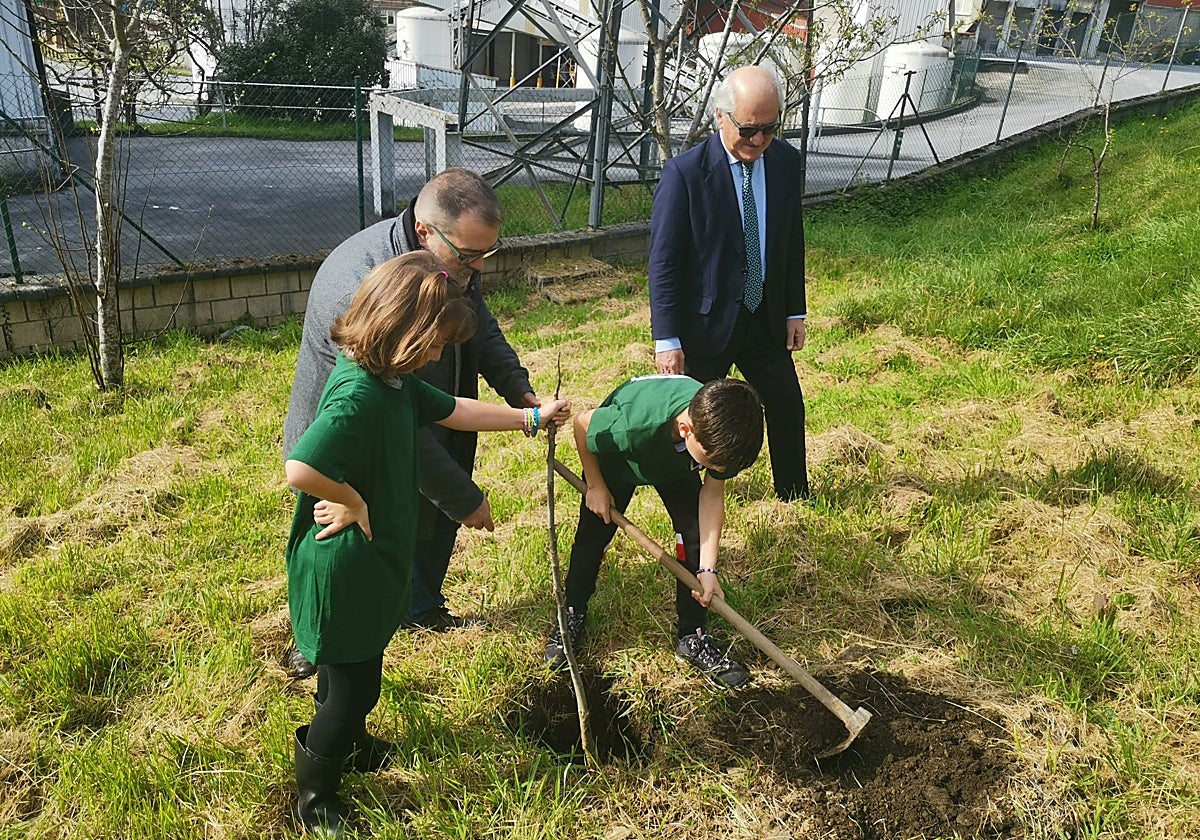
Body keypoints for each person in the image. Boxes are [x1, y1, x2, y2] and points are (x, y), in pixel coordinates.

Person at [285, 251, 569, 836]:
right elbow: (300, 466)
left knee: (353, 673)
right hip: (342, 567)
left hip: (369, 563)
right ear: (406, 333)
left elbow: (457, 411)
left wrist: (530, 420)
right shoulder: (358, 395)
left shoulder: (394, 382)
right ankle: (314, 798)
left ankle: (350, 742)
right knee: (353, 684)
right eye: (438, 344)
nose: (442, 356)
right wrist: (355, 499)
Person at [284, 167, 539, 678]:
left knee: (412, 525)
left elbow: (480, 332)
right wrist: (464, 497)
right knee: (349, 541)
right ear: (426, 230)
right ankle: (320, 644)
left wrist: (522, 396)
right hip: (347, 451)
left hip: (420, 413)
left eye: (486, 254)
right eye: (470, 256)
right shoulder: (368, 288)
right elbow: (397, 428)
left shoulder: (453, 262)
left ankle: (418, 609)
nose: (478, 266)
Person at [648, 64, 810, 502]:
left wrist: (795, 309)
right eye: (748, 129)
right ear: (721, 116)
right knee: (690, 419)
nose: (757, 140)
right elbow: (663, 261)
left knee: (786, 405)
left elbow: (790, 241)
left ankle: (794, 496)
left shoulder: (785, 163)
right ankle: (682, 502)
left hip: (764, 319)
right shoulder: (685, 174)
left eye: (769, 129)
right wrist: (667, 338)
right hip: (704, 326)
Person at [544, 374, 764, 690]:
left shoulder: (725, 433)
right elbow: (582, 424)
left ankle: (691, 635)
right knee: (593, 539)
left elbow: (712, 495)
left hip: (675, 464)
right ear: (687, 430)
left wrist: (708, 570)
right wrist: (595, 485)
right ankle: (572, 612)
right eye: (710, 463)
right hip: (619, 460)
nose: (716, 470)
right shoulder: (633, 426)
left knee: (692, 537)